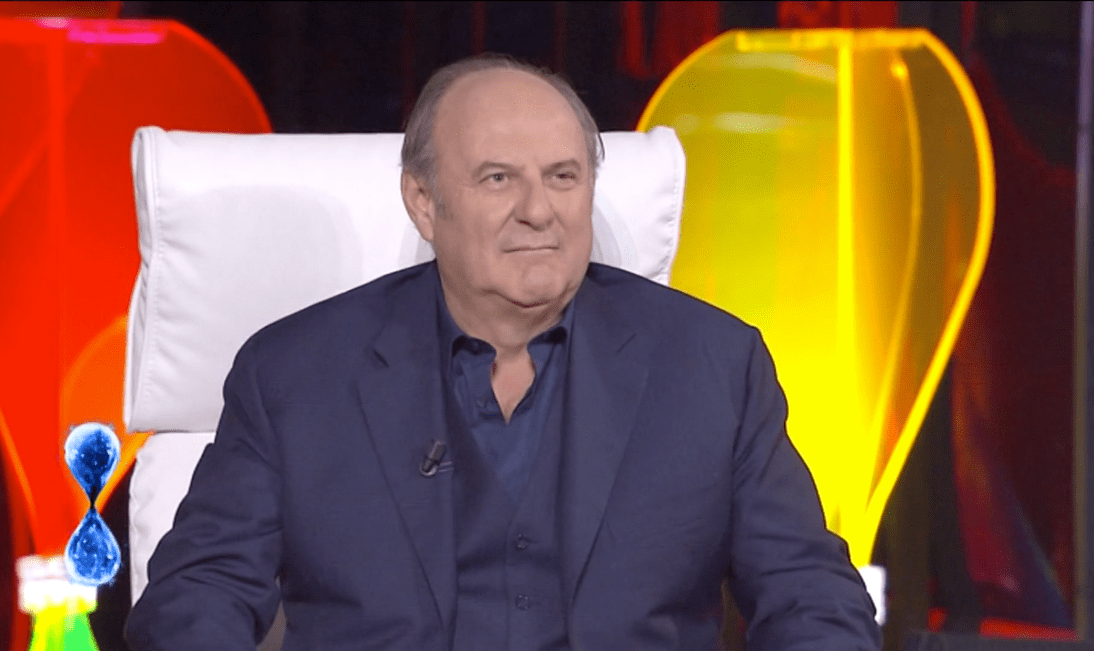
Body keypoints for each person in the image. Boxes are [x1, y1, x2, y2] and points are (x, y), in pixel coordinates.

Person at [126, 55, 881, 651]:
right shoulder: (296, 375)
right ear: (424, 202)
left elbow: (812, 596)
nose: (538, 211)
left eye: (563, 177)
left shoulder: (712, 366)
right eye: (498, 179)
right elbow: (195, 599)